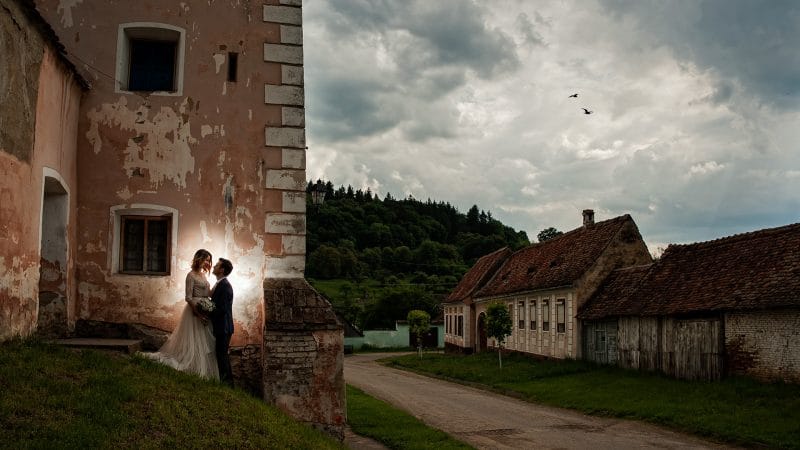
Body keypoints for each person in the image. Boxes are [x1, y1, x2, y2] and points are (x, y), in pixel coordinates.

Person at [140, 249, 219, 380]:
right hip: (194, 312)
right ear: (199, 259)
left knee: (203, 341)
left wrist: (218, 283)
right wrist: (198, 314)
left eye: (209, 260)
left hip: (205, 310)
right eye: (206, 260)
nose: (208, 263)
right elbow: (188, 297)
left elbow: (208, 294)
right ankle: (191, 364)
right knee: (194, 339)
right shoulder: (191, 275)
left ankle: (200, 367)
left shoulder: (204, 276)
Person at [210, 258, 234, 386]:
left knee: (222, 356)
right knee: (221, 355)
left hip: (223, 327)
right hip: (222, 326)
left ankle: (227, 385)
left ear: (222, 270)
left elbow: (222, 309)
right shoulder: (220, 284)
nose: (214, 266)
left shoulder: (224, 286)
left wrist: (207, 311)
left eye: (217, 265)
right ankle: (227, 383)